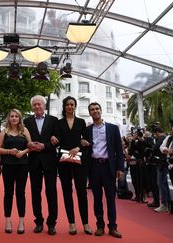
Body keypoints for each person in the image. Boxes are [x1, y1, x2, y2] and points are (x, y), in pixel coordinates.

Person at [51, 96, 91, 235]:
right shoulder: (59, 122)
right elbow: (56, 139)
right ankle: (72, 223)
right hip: (63, 161)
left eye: (72, 104)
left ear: (75, 106)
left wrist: (78, 147)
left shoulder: (81, 122)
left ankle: (85, 223)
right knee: (67, 192)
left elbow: (86, 141)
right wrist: (53, 138)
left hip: (79, 161)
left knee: (81, 192)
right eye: (67, 104)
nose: (70, 106)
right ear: (64, 106)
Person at [83, 102, 124, 238]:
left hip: (108, 167)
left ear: (101, 111)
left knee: (111, 198)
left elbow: (119, 149)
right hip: (94, 167)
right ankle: (99, 225)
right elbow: (85, 148)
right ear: (90, 113)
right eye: (92, 110)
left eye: (97, 109)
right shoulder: (87, 130)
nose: (95, 111)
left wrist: (120, 168)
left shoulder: (113, 128)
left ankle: (113, 226)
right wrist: (83, 144)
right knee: (97, 198)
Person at [23, 95, 58, 235]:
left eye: (40, 104)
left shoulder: (53, 120)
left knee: (51, 193)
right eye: (35, 104)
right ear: (32, 107)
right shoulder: (26, 121)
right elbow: (23, 139)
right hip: (33, 162)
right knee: (35, 193)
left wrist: (45, 146)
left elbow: (57, 140)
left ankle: (51, 223)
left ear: (44, 106)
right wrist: (28, 144)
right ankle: (38, 221)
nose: (37, 106)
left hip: (49, 160)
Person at [0, 109, 31, 234]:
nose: (14, 118)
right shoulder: (3, 132)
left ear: (19, 118)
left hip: (22, 165)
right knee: (8, 193)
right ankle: (7, 221)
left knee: (21, 193)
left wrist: (23, 152)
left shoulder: (24, 131)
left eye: (16, 116)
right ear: (9, 118)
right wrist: (9, 151)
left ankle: (21, 222)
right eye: (12, 116)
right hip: (8, 165)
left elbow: (30, 146)